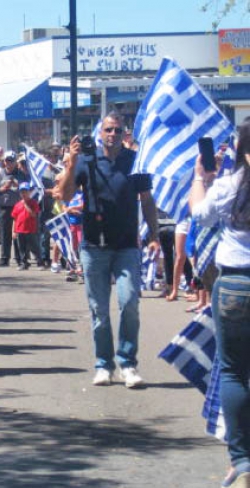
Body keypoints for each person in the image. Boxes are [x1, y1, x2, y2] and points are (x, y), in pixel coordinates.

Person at [59, 112, 159, 388]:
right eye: (108, 130)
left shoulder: (134, 162)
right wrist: (71, 163)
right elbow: (65, 196)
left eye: (117, 130)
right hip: (94, 247)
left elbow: (147, 200)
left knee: (129, 304)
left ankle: (128, 364)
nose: (112, 135)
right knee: (99, 311)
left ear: (125, 134)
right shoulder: (86, 162)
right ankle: (104, 365)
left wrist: (154, 234)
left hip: (127, 246)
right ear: (99, 133)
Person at [189, 117, 250, 488]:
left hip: (236, 286)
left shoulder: (231, 186)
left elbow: (198, 215)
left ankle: (242, 463)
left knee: (233, 372)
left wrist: (200, 178)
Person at [0, 151, 26, 267]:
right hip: (4, 207)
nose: (9, 163)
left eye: (11, 161)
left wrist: (17, 185)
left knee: (18, 233)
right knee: (4, 233)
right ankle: (4, 258)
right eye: (7, 160)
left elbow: (27, 188)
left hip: (18, 207)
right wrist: (3, 188)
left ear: (15, 162)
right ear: (4, 161)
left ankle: (19, 258)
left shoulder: (21, 174)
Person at [11, 181, 41, 270]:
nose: (24, 194)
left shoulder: (33, 203)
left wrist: (26, 205)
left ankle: (40, 261)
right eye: (22, 192)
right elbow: (15, 219)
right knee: (22, 248)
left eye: (25, 191)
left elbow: (34, 215)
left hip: (30, 229)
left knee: (34, 247)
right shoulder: (17, 205)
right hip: (20, 230)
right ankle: (24, 263)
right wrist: (13, 231)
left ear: (29, 192)